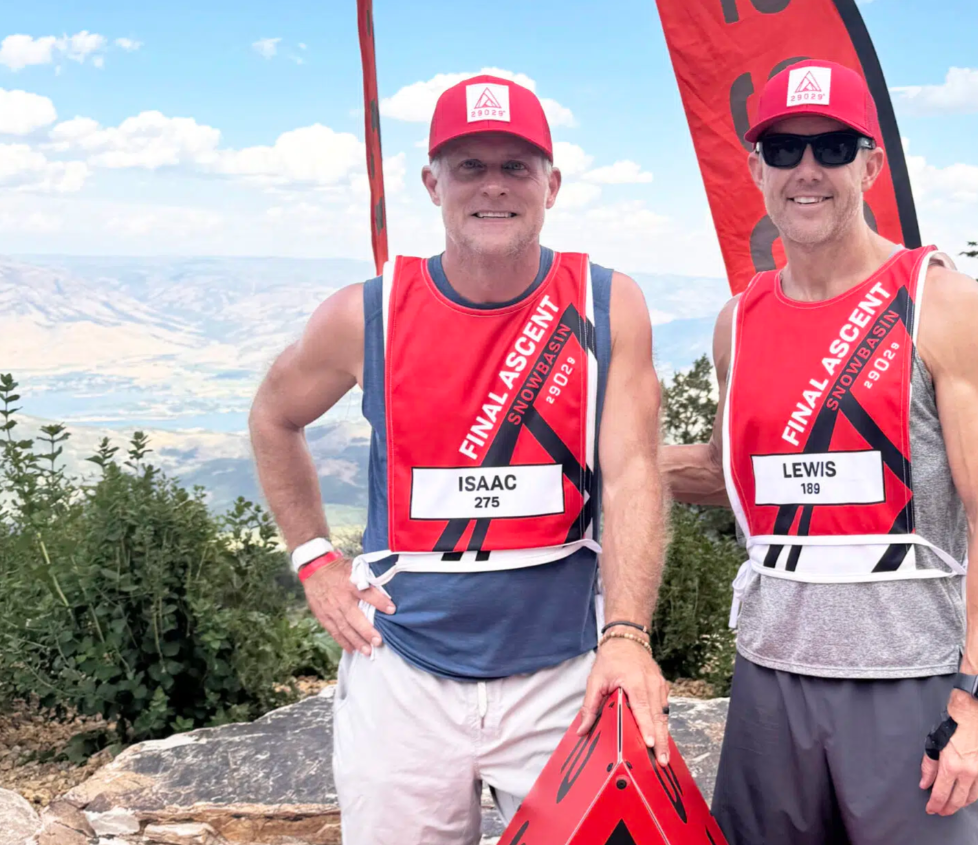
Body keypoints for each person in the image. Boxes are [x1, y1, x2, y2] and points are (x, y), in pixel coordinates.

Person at [249, 74, 669, 844]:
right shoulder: (365, 312)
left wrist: (627, 636)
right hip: (402, 671)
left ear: (552, 183)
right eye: (470, 166)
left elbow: (636, 474)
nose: (493, 186)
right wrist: (314, 557)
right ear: (432, 182)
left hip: (563, 674)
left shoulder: (607, 306)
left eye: (515, 165)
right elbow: (274, 415)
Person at [661, 60, 978, 845]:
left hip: (907, 680)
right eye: (783, 148)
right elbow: (749, 477)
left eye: (830, 146)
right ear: (755, 166)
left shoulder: (940, 304)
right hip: (769, 676)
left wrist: (977, 701)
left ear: (869, 162)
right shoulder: (739, 321)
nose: (806, 170)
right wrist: (618, 467)